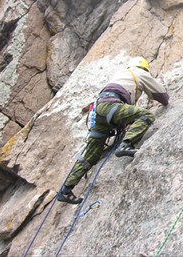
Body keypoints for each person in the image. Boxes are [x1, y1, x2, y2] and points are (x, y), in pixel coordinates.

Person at [57, 57, 169, 204]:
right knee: (146, 115)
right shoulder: (140, 73)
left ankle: (66, 190)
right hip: (111, 106)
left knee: (91, 155)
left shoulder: (121, 74)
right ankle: (126, 145)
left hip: (99, 109)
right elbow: (162, 96)